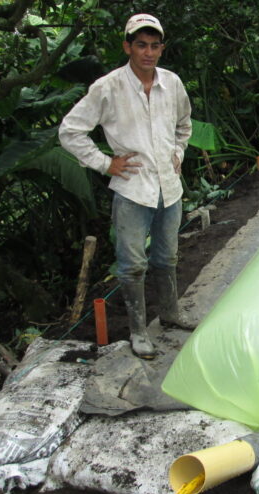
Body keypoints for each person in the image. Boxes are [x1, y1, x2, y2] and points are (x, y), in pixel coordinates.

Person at [59, 13, 194, 359]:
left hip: (169, 187)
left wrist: (178, 151)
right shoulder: (108, 87)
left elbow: (184, 124)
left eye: (154, 45)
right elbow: (70, 131)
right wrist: (106, 164)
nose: (148, 52)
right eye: (141, 45)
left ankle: (171, 313)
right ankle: (138, 330)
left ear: (161, 49)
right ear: (128, 47)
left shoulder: (172, 84)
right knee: (132, 263)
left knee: (167, 257)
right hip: (133, 190)